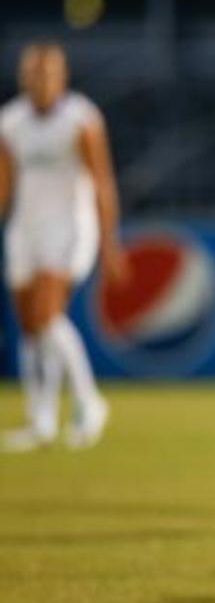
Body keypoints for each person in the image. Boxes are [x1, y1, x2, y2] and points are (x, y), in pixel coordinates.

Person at [0, 42, 127, 453]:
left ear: (62, 76)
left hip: (70, 226)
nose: (40, 80)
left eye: (48, 73)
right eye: (33, 73)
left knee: (46, 313)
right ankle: (42, 419)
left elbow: (102, 182)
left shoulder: (81, 119)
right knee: (30, 326)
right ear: (23, 78)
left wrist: (109, 244)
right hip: (26, 227)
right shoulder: (10, 121)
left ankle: (90, 402)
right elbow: (4, 184)